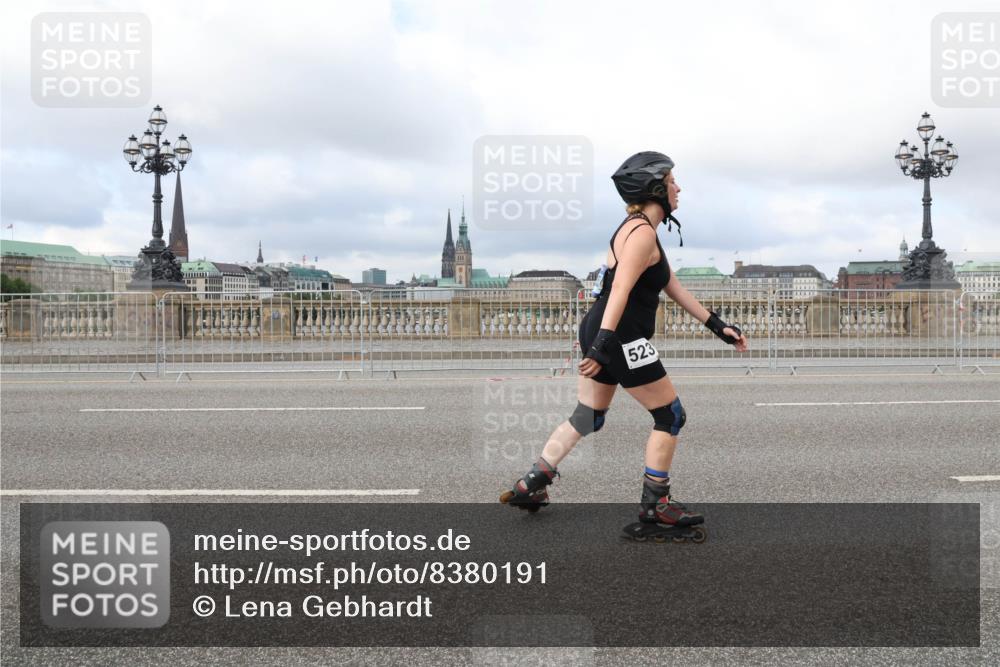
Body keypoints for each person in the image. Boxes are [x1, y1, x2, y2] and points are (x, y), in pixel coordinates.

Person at [500, 151, 749, 538]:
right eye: (671, 182)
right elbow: (618, 290)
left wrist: (718, 325)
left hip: (604, 330)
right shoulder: (641, 233)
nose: (678, 188)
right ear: (655, 189)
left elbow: (673, 287)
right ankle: (656, 508)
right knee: (671, 416)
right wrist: (603, 346)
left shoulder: (638, 229)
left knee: (588, 416)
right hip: (618, 335)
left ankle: (531, 483)